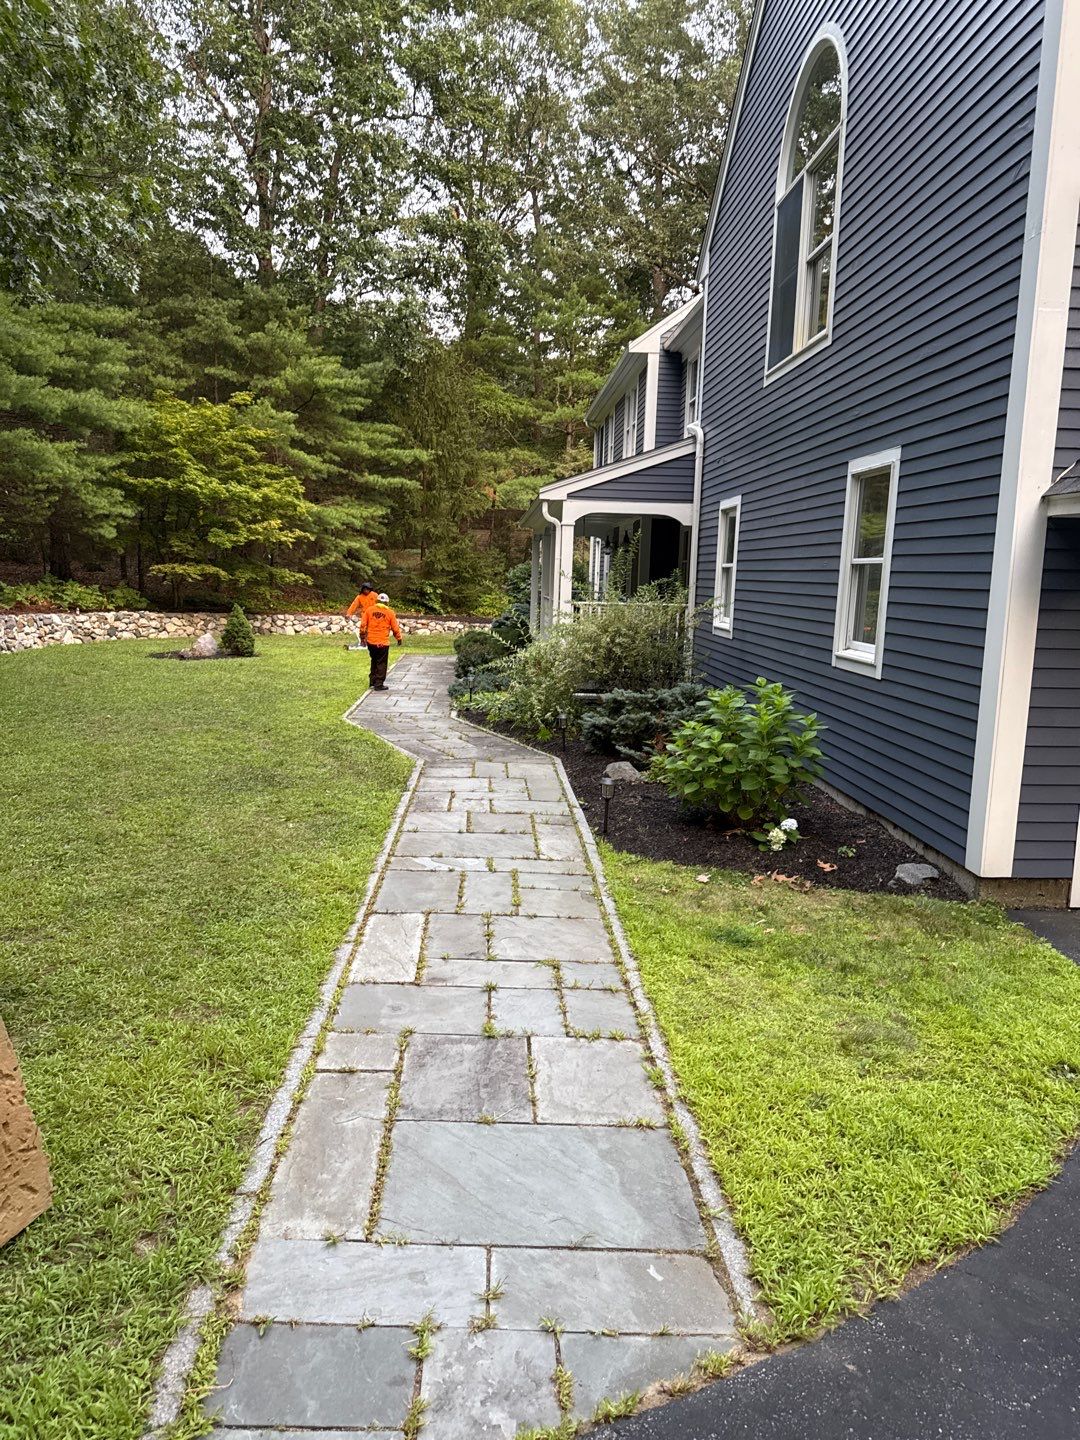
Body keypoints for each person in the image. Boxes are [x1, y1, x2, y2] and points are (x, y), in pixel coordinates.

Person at [359, 592, 402, 691]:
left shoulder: (369, 610)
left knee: (374, 660)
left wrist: (362, 637)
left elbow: (363, 625)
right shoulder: (390, 613)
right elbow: (395, 628)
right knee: (381, 663)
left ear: (377, 601)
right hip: (383, 643)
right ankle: (378, 684)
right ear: (387, 602)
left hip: (371, 642)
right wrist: (399, 638)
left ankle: (372, 681)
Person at [343, 583, 377, 650]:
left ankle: (373, 642)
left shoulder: (375, 595)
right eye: (364, 589)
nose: (366, 591)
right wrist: (349, 613)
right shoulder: (359, 597)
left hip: (374, 615)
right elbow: (354, 605)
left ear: (370, 589)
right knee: (363, 629)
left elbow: (381, 604)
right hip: (365, 616)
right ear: (362, 590)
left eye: (367, 589)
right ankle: (363, 642)